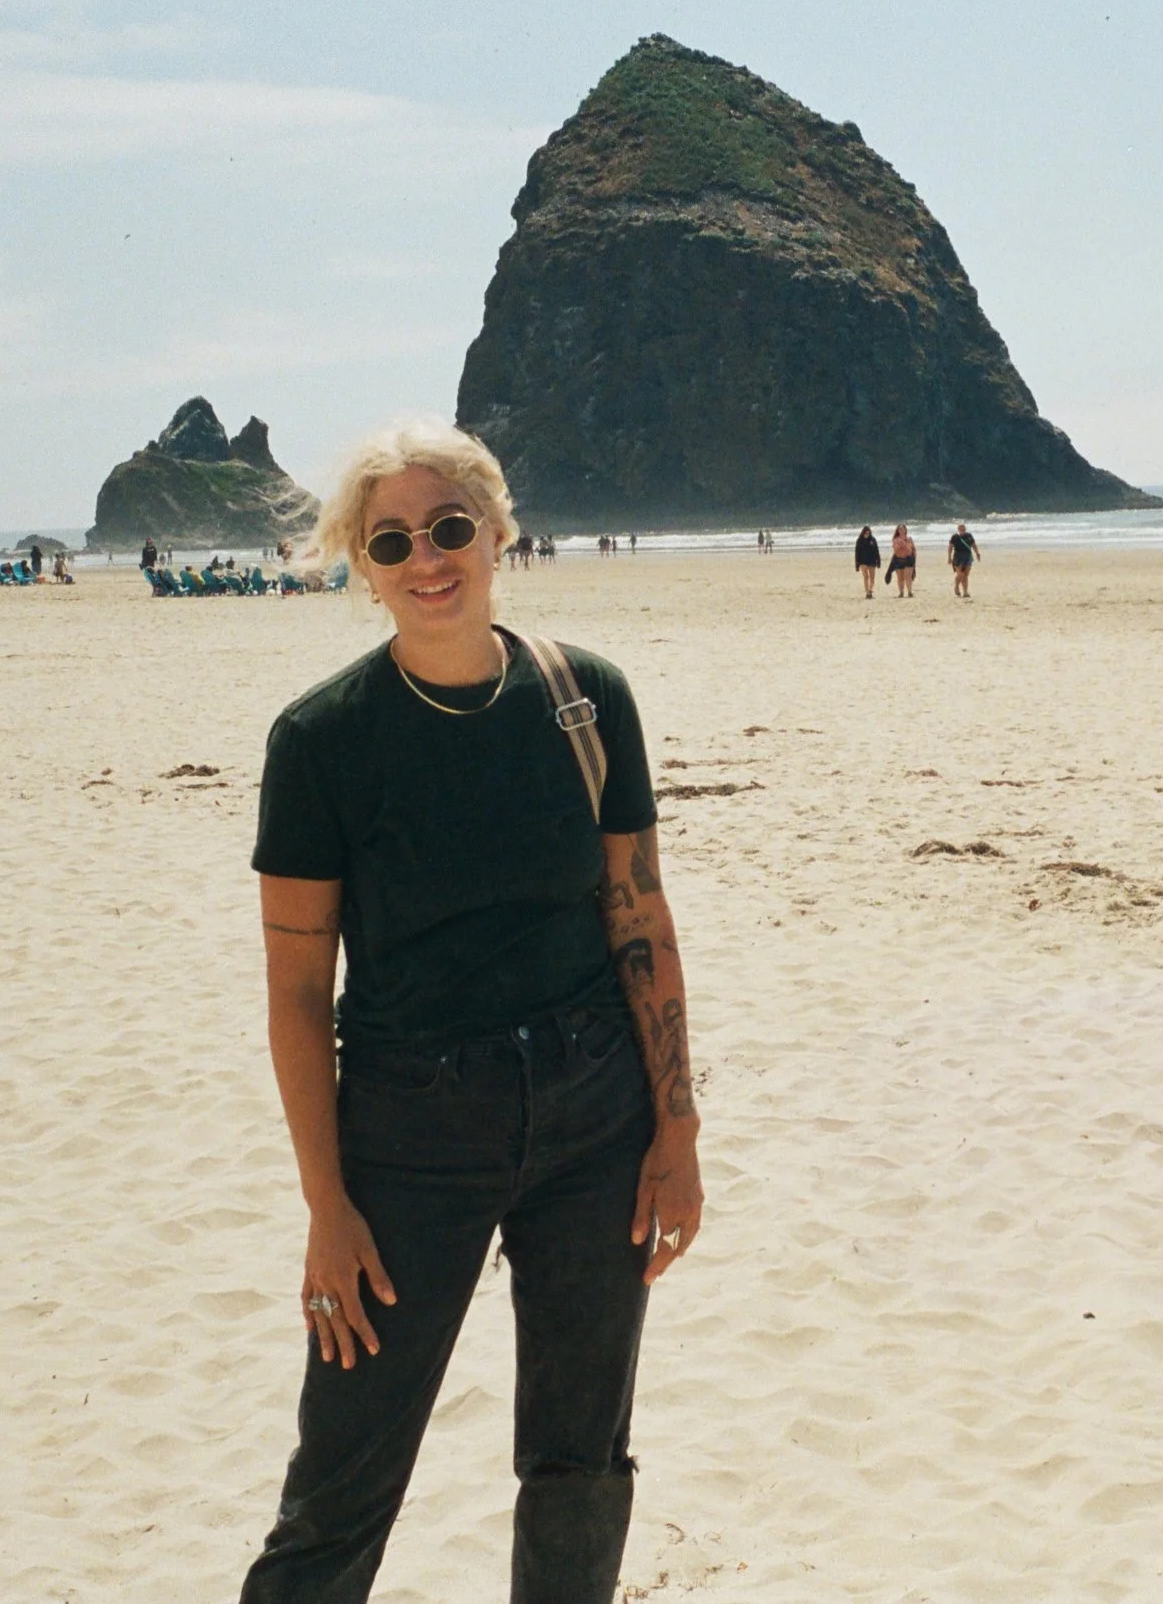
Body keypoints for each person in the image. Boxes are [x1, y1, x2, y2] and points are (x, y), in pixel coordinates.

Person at [239, 418, 703, 1603]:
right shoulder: (320, 741)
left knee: (580, 1457)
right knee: (343, 1475)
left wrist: (676, 1132)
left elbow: (639, 920)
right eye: (392, 539)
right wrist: (325, 1202)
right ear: (363, 561)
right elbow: (298, 990)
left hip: (597, 1119)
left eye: (450, 526)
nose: (426, 557)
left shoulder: (586, 699)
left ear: (497, 530)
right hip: (408, 1138)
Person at [947, 524, 980, 598]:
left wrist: (977, 553)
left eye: (964, 529)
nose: (962, 531)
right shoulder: (954, 537)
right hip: (957, 557)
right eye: (961, 529)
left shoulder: (969, 536)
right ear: (958, 529)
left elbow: (974, 545)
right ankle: (956, 586)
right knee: (960, 574)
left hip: (968, 556)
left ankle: (965, 592)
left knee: (966, 575)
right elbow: (950, 547)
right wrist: (949, 557)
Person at [886, 524, 917, 597]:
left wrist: (914, 556)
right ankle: (901, 592)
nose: (901, 531)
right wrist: (899, 545)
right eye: (900, 529)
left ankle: (909, 592)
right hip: (898, 559)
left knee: (908, 576)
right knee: (900, 577)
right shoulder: (895, 539)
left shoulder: (909, 539)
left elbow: (912, 549)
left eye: (903, 529)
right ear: (898, 531)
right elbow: (895, 550)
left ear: (906, 530)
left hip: (908, 559)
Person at [853, 526, 881, 597]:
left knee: (872, 578)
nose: (867, 534)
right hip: (863, 561)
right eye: (865, 533)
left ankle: (870, 590)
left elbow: (876, 550)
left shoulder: (873, 540)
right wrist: (857, 563)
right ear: (863, 533)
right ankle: (867, 592)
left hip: (872, 560)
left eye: (868, 533)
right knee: (866, 577)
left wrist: (878, 560)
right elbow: (857, 552)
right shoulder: (859, 540)